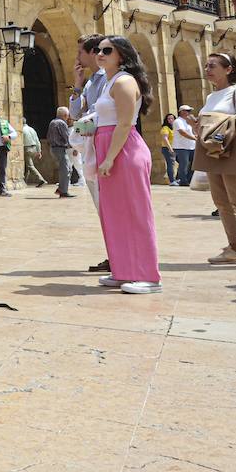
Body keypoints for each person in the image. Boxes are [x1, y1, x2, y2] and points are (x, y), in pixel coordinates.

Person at [93, 36, 161, 294]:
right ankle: (123, 270)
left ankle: (148, 276)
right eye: (99, 49)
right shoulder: (108, 81)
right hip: (108, 145)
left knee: (135, 213)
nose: (100, 53)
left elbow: (124, 123)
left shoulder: (124, 81)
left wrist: (110, 157)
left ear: (122, 55)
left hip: (123, 148)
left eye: (107, 50)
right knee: (114, 213)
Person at [192, 53, 236, 265]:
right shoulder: (212, 96)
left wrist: (216, 124)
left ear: (228, 69)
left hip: (232, 149)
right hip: (212, 151)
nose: (207, 69)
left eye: (212, 65)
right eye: (206, 65)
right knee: (221, 201)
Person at [70, 34, 109, 272]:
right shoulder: (91, 82)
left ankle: (119, 256)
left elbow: (98, 116)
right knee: (101, 207)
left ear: (94, 53)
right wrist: (77, 82)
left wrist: (79, 128)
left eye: (80, 52)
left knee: (109, 206)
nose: (77, 57)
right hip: (92, 149)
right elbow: (76, 112)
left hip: (103, 147)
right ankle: (113, 254)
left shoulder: (108, 80)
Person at [48, 107, 74, 198]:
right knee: (66, 170)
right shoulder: (62, 123)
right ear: (65, 115)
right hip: (59, 149)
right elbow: (66, 137)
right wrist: (74, 145)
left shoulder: (52, 122)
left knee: (68, 168)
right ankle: (63, 191)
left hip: (54, 148)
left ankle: (61, 189)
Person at [173, 106, 197, 187]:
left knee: (194, 164)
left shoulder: (187, 122)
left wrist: (194, 123)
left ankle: (189, 179)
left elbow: (193, 131)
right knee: (184, 164)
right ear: (182, 111)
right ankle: (183, 181)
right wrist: (193, 138)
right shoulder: (178, 121)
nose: (189, 113)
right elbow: (182, 132)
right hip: (181, 147)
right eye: (188, 111)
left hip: (191, 146)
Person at [22, 121, 48, 187]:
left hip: (27, 148)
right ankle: (24, 182)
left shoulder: (21, 130)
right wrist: (39, 151)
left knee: (30, 166)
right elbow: (37, 140)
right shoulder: (32, 129)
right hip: (34, 149)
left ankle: (41, 179)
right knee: (28, 166)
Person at [159, 115, 177, 185]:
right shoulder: (165, 128)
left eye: (172, 118)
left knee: (181, 163)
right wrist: (170, 148)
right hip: (167, 148)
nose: (170, 120)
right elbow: (165, 139)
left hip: (175, 147)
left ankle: (177, 178)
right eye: (168, 119)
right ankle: (172, 180)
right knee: (170, 164)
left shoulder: (174, 128)